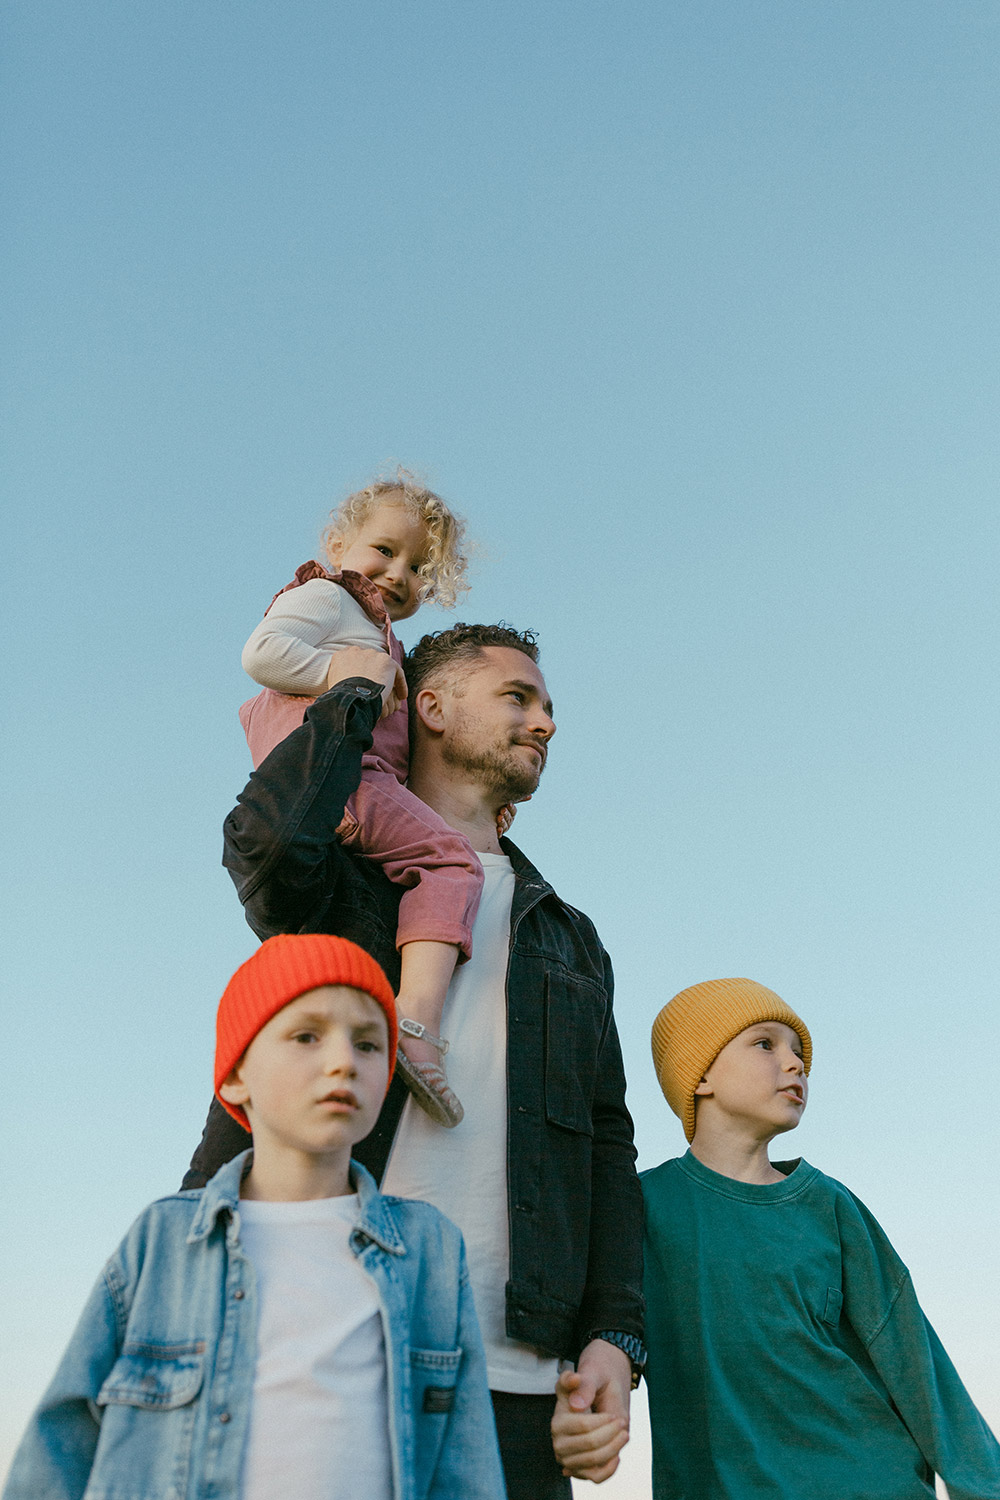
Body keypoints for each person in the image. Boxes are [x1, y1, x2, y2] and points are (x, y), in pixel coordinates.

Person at [185, 624, 646, 1500]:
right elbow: (268, 844)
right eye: (520, 697)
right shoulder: (338, 877)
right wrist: (354, 695)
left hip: (516, 1383)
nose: (545, 722)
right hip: (310, 1339)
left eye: (550, 707)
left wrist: (614, 1339)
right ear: (429, 707)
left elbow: (606, 1147)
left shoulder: (571, 938)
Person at [4, 934, 505, 1500]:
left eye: (368, 1044)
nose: (342, 1061)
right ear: (238, 1075)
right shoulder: (163, 1240)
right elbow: (60, 1443)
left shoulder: (430, 1248)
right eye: (306, 1036)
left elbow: (467, 1462)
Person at [555, 976, 1000, 1498]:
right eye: (765, 1043)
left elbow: (917, 1363)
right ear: (699, 1076)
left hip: (873, 1483)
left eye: (799, 1054)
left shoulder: (831, 1206)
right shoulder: (637, 1207)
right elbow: (596, 1335)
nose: (794, 1065)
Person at [240, 470, 483, 1129]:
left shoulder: (381, 637)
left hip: (349, 790)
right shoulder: (332, 598)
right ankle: (418, 1028)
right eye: (384, 550)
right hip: (339, 780)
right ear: (339, 541)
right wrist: (343, 672)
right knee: (454, 865)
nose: (399, 573)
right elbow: (263, 653)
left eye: (418, 569)